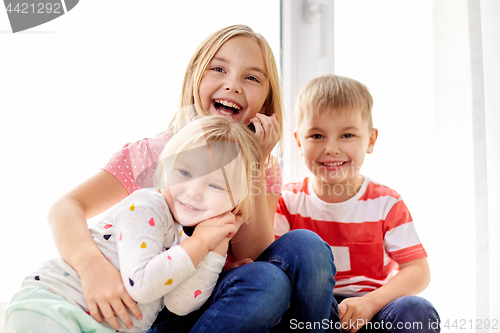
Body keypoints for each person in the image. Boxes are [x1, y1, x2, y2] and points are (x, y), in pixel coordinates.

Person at [42, 25, 339, 332]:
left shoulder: (265, 167)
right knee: (270, 282)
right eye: (219, 69)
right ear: (196, 76)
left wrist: (255, 165)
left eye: (251, 78)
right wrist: (92, 268)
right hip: (158, 306)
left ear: (265, 103)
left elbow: (254, 257)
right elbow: (66, 207)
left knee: (305, 248)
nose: (232, 85)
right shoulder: (153, 153)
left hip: (223, 302)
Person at [4, 116, 262, 332]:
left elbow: (179, 304)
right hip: (53, 307)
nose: (193, 192)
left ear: (235, 200)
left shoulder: (187, 237)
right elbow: (142, 284)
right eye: (184, 172)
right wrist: (201, 242)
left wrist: (217, 244)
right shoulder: (145, 206)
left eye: (215, 185)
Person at [275, 74, 440, 332]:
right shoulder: (288, 201)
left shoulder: (387, 203)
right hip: (312, 316)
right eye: (317, 136)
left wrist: (370, 303)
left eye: (347, 135)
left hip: (372, 309)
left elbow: (418, 270)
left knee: (416, 311)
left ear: (371, 140)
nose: (331, 148)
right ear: (298, 141)